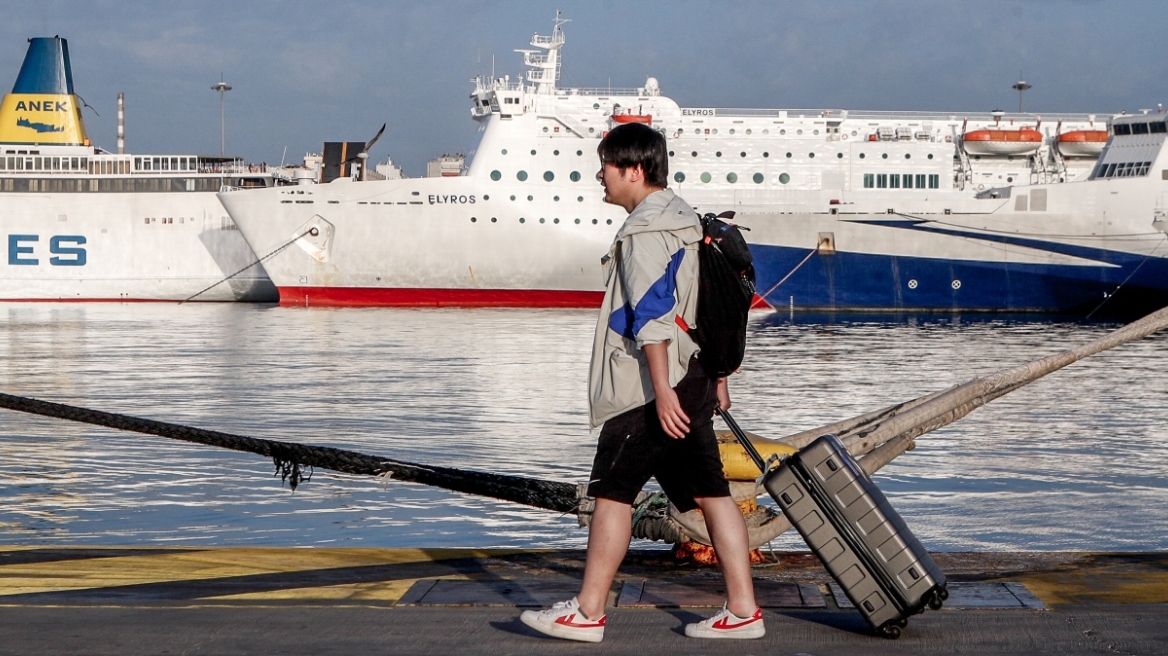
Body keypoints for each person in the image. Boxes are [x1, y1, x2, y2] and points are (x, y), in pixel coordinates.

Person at [519, 123, 763, 643]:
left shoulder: (644, 232)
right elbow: (704, 309)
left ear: (634, 170)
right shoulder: (688, 220)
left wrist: (662, 389)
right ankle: (743, 609)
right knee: (712, 493)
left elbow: (653, 316)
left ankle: (586, 612)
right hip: (693, 375)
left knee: (613, 494)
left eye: (605, 166)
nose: (598, 177)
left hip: (649, 389)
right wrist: (715, 377)